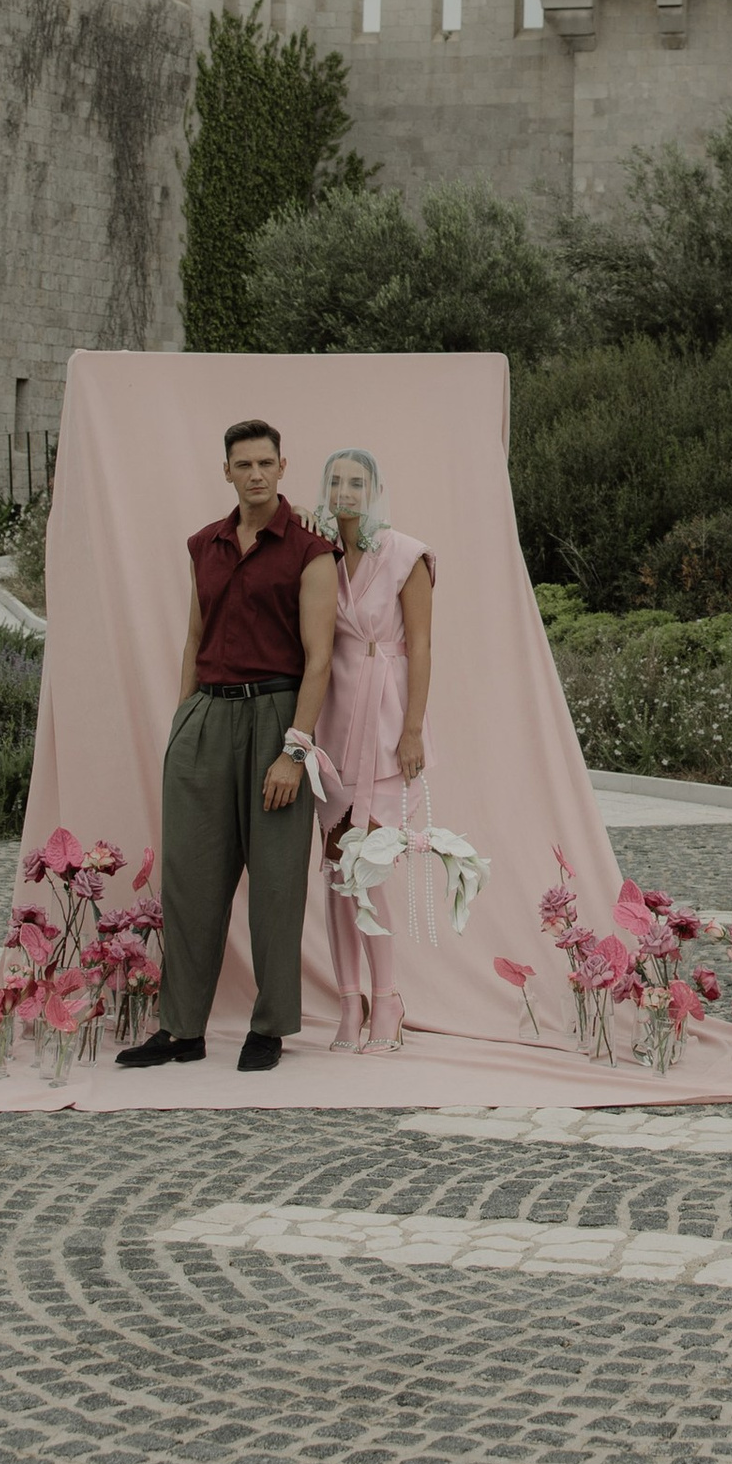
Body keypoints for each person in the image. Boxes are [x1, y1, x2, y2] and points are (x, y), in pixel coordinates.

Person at [117, 417, 336, 1076]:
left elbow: (320, 660)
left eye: (266, 463)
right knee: (189, 882)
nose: (257, 474)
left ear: (282, 466)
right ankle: (181, 1029)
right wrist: (185, 720)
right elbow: (194, 638)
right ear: (227, 472)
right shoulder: (205, 546)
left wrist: (294, 752)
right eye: (244, 465)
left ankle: (269, 1028)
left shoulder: (310, 550)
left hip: (276, 718)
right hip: (206, 721)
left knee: (274, 886)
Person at [312, 447, 435, 1054]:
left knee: (371, 867)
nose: (345, 491)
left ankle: (388, 999)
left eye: (357, 481)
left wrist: (412, 729)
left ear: (376, 488)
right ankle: (348, 999)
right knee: (336, 868)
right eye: (335, 481)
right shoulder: (318, 555)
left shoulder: (405, 554)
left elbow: (423, 647)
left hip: (386, 725)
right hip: (334, 725)